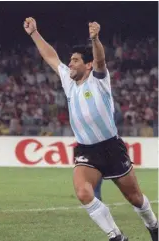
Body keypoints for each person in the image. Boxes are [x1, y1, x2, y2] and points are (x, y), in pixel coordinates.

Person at [24, 17, 158, 241]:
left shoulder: (98, 80)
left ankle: (153, 226)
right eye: (71, 60)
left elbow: (101, 60)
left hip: (111, 148)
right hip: (87, 151)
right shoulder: (68, 81)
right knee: (83, 192)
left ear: (87, 64)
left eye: (75, 60)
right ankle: (115, 236)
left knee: (135, 198)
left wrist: (95, 39)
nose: (71, 64)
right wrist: (34, 34)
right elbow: (50, 56)